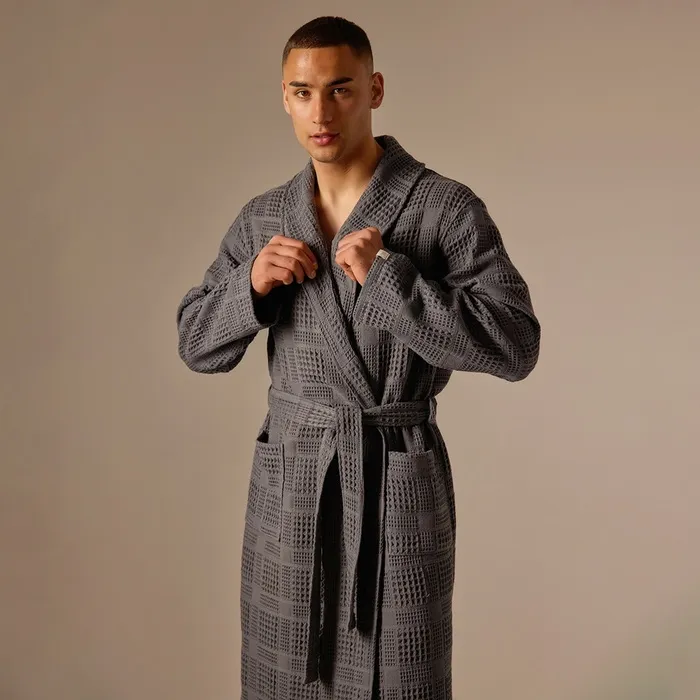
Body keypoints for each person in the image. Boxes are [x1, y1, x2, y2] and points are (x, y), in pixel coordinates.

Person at [176, 15, 541, 700]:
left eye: (340, 89)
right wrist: (248, 287)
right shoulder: (264, 219)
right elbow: (195, 342)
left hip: (394, 477)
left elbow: (516, 344)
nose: (321, 112)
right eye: (303, 92)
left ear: (374, 90)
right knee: (282, 676)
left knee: (399, 677)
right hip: (290, 483)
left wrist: (391, 284)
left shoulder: (443, 209)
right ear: (285, 99)